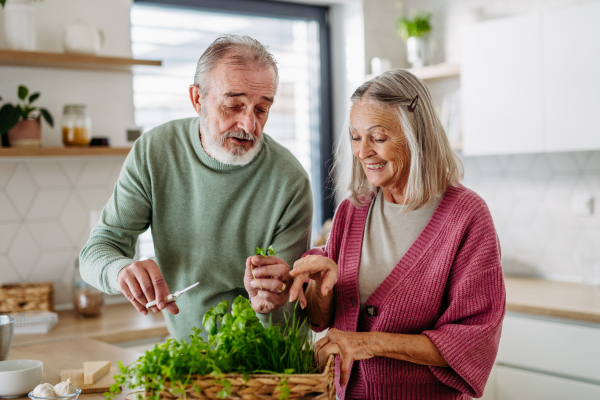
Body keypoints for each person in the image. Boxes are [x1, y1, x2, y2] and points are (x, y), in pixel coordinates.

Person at [285, 69, 505, 399]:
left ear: (417, 135)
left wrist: (370, 343)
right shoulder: (352, 209)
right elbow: (321, 320)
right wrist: (321, 288)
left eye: (379, 137)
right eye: (356, 137)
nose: (362, 152)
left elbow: (472, 340)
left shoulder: (467, 217)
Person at [79, 35, 313, 340]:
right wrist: (120, 271)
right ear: (197, 98)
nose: (249, 125)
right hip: (190, 357)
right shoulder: (155, 152)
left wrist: (270, 305)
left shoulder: (290, 181)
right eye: (233, 105)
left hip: (269, 363)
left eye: (260, 110)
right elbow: (97, 250)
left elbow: (292, 312)